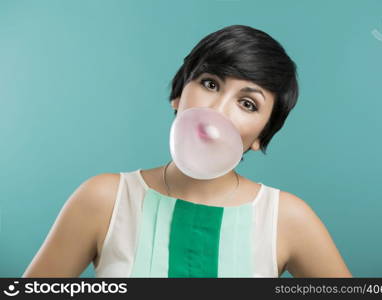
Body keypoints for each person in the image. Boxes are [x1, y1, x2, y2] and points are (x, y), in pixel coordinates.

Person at [23, 25, 352, 278]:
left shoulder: (287, 218)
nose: (219, 110)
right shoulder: (103, 199)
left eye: (248, 103)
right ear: (179, 95)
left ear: (261, 136)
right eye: (211, 84)